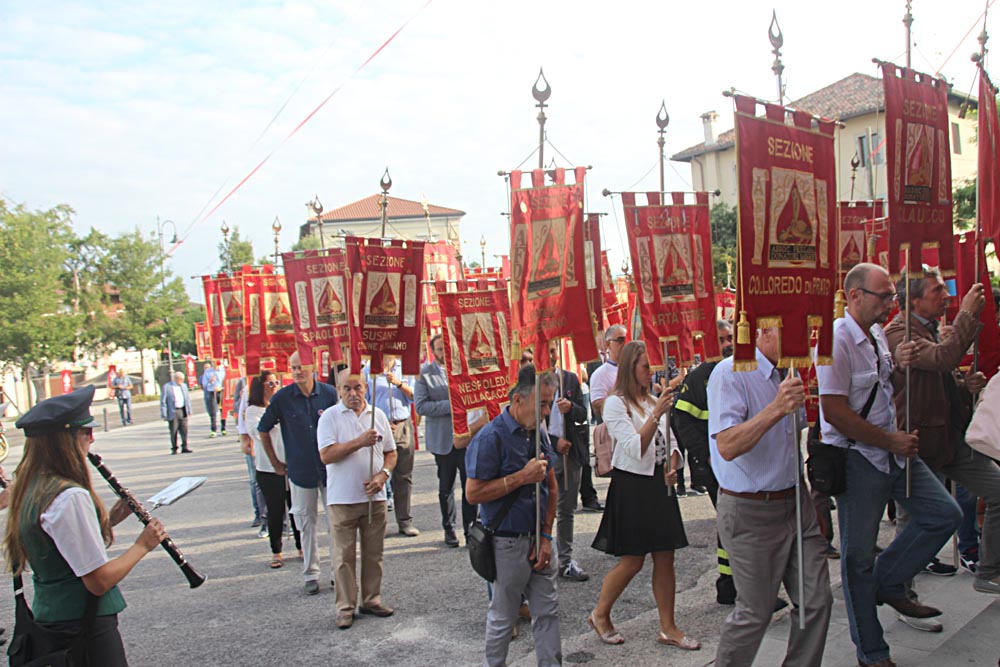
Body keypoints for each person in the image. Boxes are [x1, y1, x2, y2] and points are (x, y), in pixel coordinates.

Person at [816, 262, 962, 667]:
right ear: (855, 295)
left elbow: (882, 386)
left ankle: (889, 582)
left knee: (944, 514)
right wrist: (888, 440)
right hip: (859, 458)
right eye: (884, 296)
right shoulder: (836, 339)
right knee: (857, 558)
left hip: (893, 452)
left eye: (891, 296)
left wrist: (899, 362)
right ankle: (873, 652)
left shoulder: (877, 333)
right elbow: (834, 412)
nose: (891, 303)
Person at [2, 386, 167, 665]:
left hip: (52, 618)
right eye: (86, 432)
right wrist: (143, 545)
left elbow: (58, 545)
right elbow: (98, 581)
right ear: (63, 440)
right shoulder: (69, 496)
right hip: (85, 625)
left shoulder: (29, 488)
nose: (92, 438)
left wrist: (109, 520)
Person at [707, 326, 832, 666]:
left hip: (795, 503)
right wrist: (776, 408)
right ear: (764, 329)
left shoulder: (789, 371)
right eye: (793, 329)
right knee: (755, 612)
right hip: (751, 509)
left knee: (817, 600)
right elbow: (727, 445)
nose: (803, 339)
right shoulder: (730, 372)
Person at [885, 271, 1000, 595]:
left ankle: (989, 571)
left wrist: (963, 386)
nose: (946, 296)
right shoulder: (899, 333)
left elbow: (938, 378)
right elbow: (942, 358)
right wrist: (967, 315)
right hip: (919, 442)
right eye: (937, 290)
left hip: (949, 438)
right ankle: (899, 589)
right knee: (914, 520)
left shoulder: (931, 329)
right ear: (914, 300)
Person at [589, 341, 696, 650]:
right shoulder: (615, 404)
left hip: (658, 485)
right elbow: (635, 447)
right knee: (632, 560)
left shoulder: (650, 400)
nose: (651, 372)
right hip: (632, 487)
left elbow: (670, 441)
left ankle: (668, 627)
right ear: (630, 369)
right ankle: (600, 613)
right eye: (646, 367)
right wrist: (657, 413)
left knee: (665, 555)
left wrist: (672, 467)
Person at [466, 365, 560, 667]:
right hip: (506, 542)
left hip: (539, 539)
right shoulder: (490, 437)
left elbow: (552, 488)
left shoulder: (538, 433)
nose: (546, 412)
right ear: (517, 400)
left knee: (547, 612)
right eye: (541, 404)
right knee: (503, 616)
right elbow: (473, 494)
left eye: (549, 403)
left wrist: (546, 536)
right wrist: (521, 477)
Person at [318, 369, 397, 630]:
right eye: (347, 389)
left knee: (374, 553)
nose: (353, 394)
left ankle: (371, 599)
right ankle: (345, 607)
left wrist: (383, 475)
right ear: (338, 390)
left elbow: (391, 452)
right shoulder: (330, 417)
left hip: (374, 497)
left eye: (358, 388)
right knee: (344, 556)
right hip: (343, 499)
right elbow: (326, 455)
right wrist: (359, 442)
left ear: (366, 388)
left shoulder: (378, 415)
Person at [258, 351, 339, 595]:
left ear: (313, 366)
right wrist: (275, 462)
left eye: (301, 366)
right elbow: (263, 429)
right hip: (300, 471)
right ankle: (311, 573)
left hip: (330, 469)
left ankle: (337, 572)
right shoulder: (282, 398)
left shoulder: (329, 394)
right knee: (305, 523)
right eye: (293, 367)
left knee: (336, 523)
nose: (297, 372)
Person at [672, 319, 740, 604]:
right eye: (721, 339)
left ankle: (739, 582)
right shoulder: (699, 378)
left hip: (742, 462)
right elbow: (683, 420)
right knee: (731, 522)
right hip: (716, 467)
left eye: (730, 338)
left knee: (738, 524)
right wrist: (706, 456)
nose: (727, 344)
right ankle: (730, 583)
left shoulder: (743, 369)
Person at [414, 333, 484, 547]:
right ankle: (449, 528)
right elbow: (421, 406)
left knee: (470, 485)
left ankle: (470, 530)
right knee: (446, 487)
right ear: (433, 351)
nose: (444, 352)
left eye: (447, 348)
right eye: (440, 349)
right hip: (443, 440)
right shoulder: (425, 374)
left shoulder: (464, 369)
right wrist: (452, 405)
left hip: (467, 437)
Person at [546, 339, 590, 582]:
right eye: (546, 351)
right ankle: (539, 560)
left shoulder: (570, 379)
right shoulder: (532, 382)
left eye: (553, 350)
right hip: (545, 456)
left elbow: (584, 414)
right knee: (541, 509)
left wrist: (571, 407)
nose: (551, 355)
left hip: (570, 454)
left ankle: (565, 560)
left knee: (566, 510)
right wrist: (554, 443)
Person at [247, 371, 301, 568]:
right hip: (268, 467)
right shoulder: (253, 410)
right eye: (270, 383)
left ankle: (301, 546)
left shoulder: (283, 405)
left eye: (276, 382)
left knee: (297, 508)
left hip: (291, 463)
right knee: (275, 510)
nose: (275, 386)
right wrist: (274, 419)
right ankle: (276, 551)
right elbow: (258, 432)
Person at [365, 354, 418, 537]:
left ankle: (405, 521)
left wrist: (399, 383)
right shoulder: (368, 370)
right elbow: (365, 402)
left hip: (402, 425)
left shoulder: (406, 369)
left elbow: (415, 396)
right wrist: (381, 422)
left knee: (404, 476)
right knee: (378, 475)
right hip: (379, 426)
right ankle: (379, 523)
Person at [235, 374, 265, 531]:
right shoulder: (249, 387)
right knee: (256, 480)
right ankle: (259, 514)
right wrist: (244, 438)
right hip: (254, 440)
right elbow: (242, 414)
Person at [587, 325, 627, 424]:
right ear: (608, 344)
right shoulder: (600, 374)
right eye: (620, 340)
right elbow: (597, 405)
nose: (625, 344)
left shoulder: (634, 369)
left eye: (627, 340)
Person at [160, 371, 193, 454]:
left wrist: (189, 410)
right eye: (180, 379)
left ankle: (185, 446)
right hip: (173, 411)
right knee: (173, 430)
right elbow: (163, 401)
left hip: (183, 410)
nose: (182, 381)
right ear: (176, 379)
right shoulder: (167, 387)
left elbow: (187, 399)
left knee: (184, 430)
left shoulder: (184, 386)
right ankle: (174, 448)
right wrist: (164, 414)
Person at [200, 362, 223, 437]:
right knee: (213, 412)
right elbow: (204, 384)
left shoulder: (223, 370)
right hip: (211, 392)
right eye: (213, 362)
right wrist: (210, 381)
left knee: (223, 410)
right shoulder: (208, 372)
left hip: (221, 391)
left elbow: (226, 382)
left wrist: (221, 387)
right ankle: (213, 430)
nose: (215, 364)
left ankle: (223, 428)